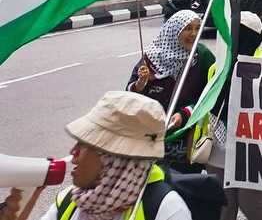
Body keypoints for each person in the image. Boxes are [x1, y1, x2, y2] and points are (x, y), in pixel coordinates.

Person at [40, 91, 191, 220]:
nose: (73, 153)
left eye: (84, 144)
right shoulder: (69, 200)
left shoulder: (167, 209)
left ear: (114, 158)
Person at [198, 12, 262, 220]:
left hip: (253, 149)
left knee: (254, 203)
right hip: (219, 148)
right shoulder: (220, 62)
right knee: (223, 205)